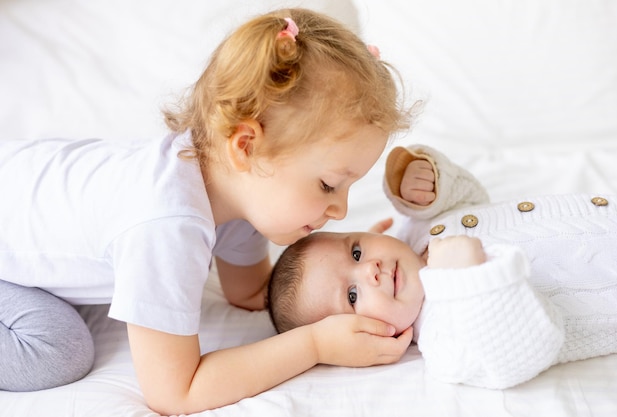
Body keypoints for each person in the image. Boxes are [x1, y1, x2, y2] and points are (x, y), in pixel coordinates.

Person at [0, 8, 416, 414]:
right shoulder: (167, 226)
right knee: (57, 349)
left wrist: (363, 271)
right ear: (247, 147)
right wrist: (315, 345)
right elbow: (175, 393)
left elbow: (253, 293)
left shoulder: (231, 185)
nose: (341, 210)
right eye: (328, 184)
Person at [267, 144, 617, 389]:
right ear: (368, 335)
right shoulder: (442, 339)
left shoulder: (417, 226)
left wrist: (426, 183)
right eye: (352, 294)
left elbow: (472, 199)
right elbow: (523, 353)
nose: (370, 270)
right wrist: (469, 280)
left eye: (356, 252)